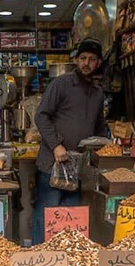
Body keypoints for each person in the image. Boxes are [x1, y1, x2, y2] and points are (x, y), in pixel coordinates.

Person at [32, 38, 105, 245]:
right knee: (48, 213)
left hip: (78, 166)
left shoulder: (98, 93)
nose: (86, 63)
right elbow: (41, 116)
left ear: (98, 62)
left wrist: (101, 151)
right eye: (83, 58)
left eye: (92, 59)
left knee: (71, 218)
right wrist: (56, 145)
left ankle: (67, 261)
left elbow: (99, 127)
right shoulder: (61, 84)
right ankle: (38, 257)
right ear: (76, 60)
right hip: (52, 163)